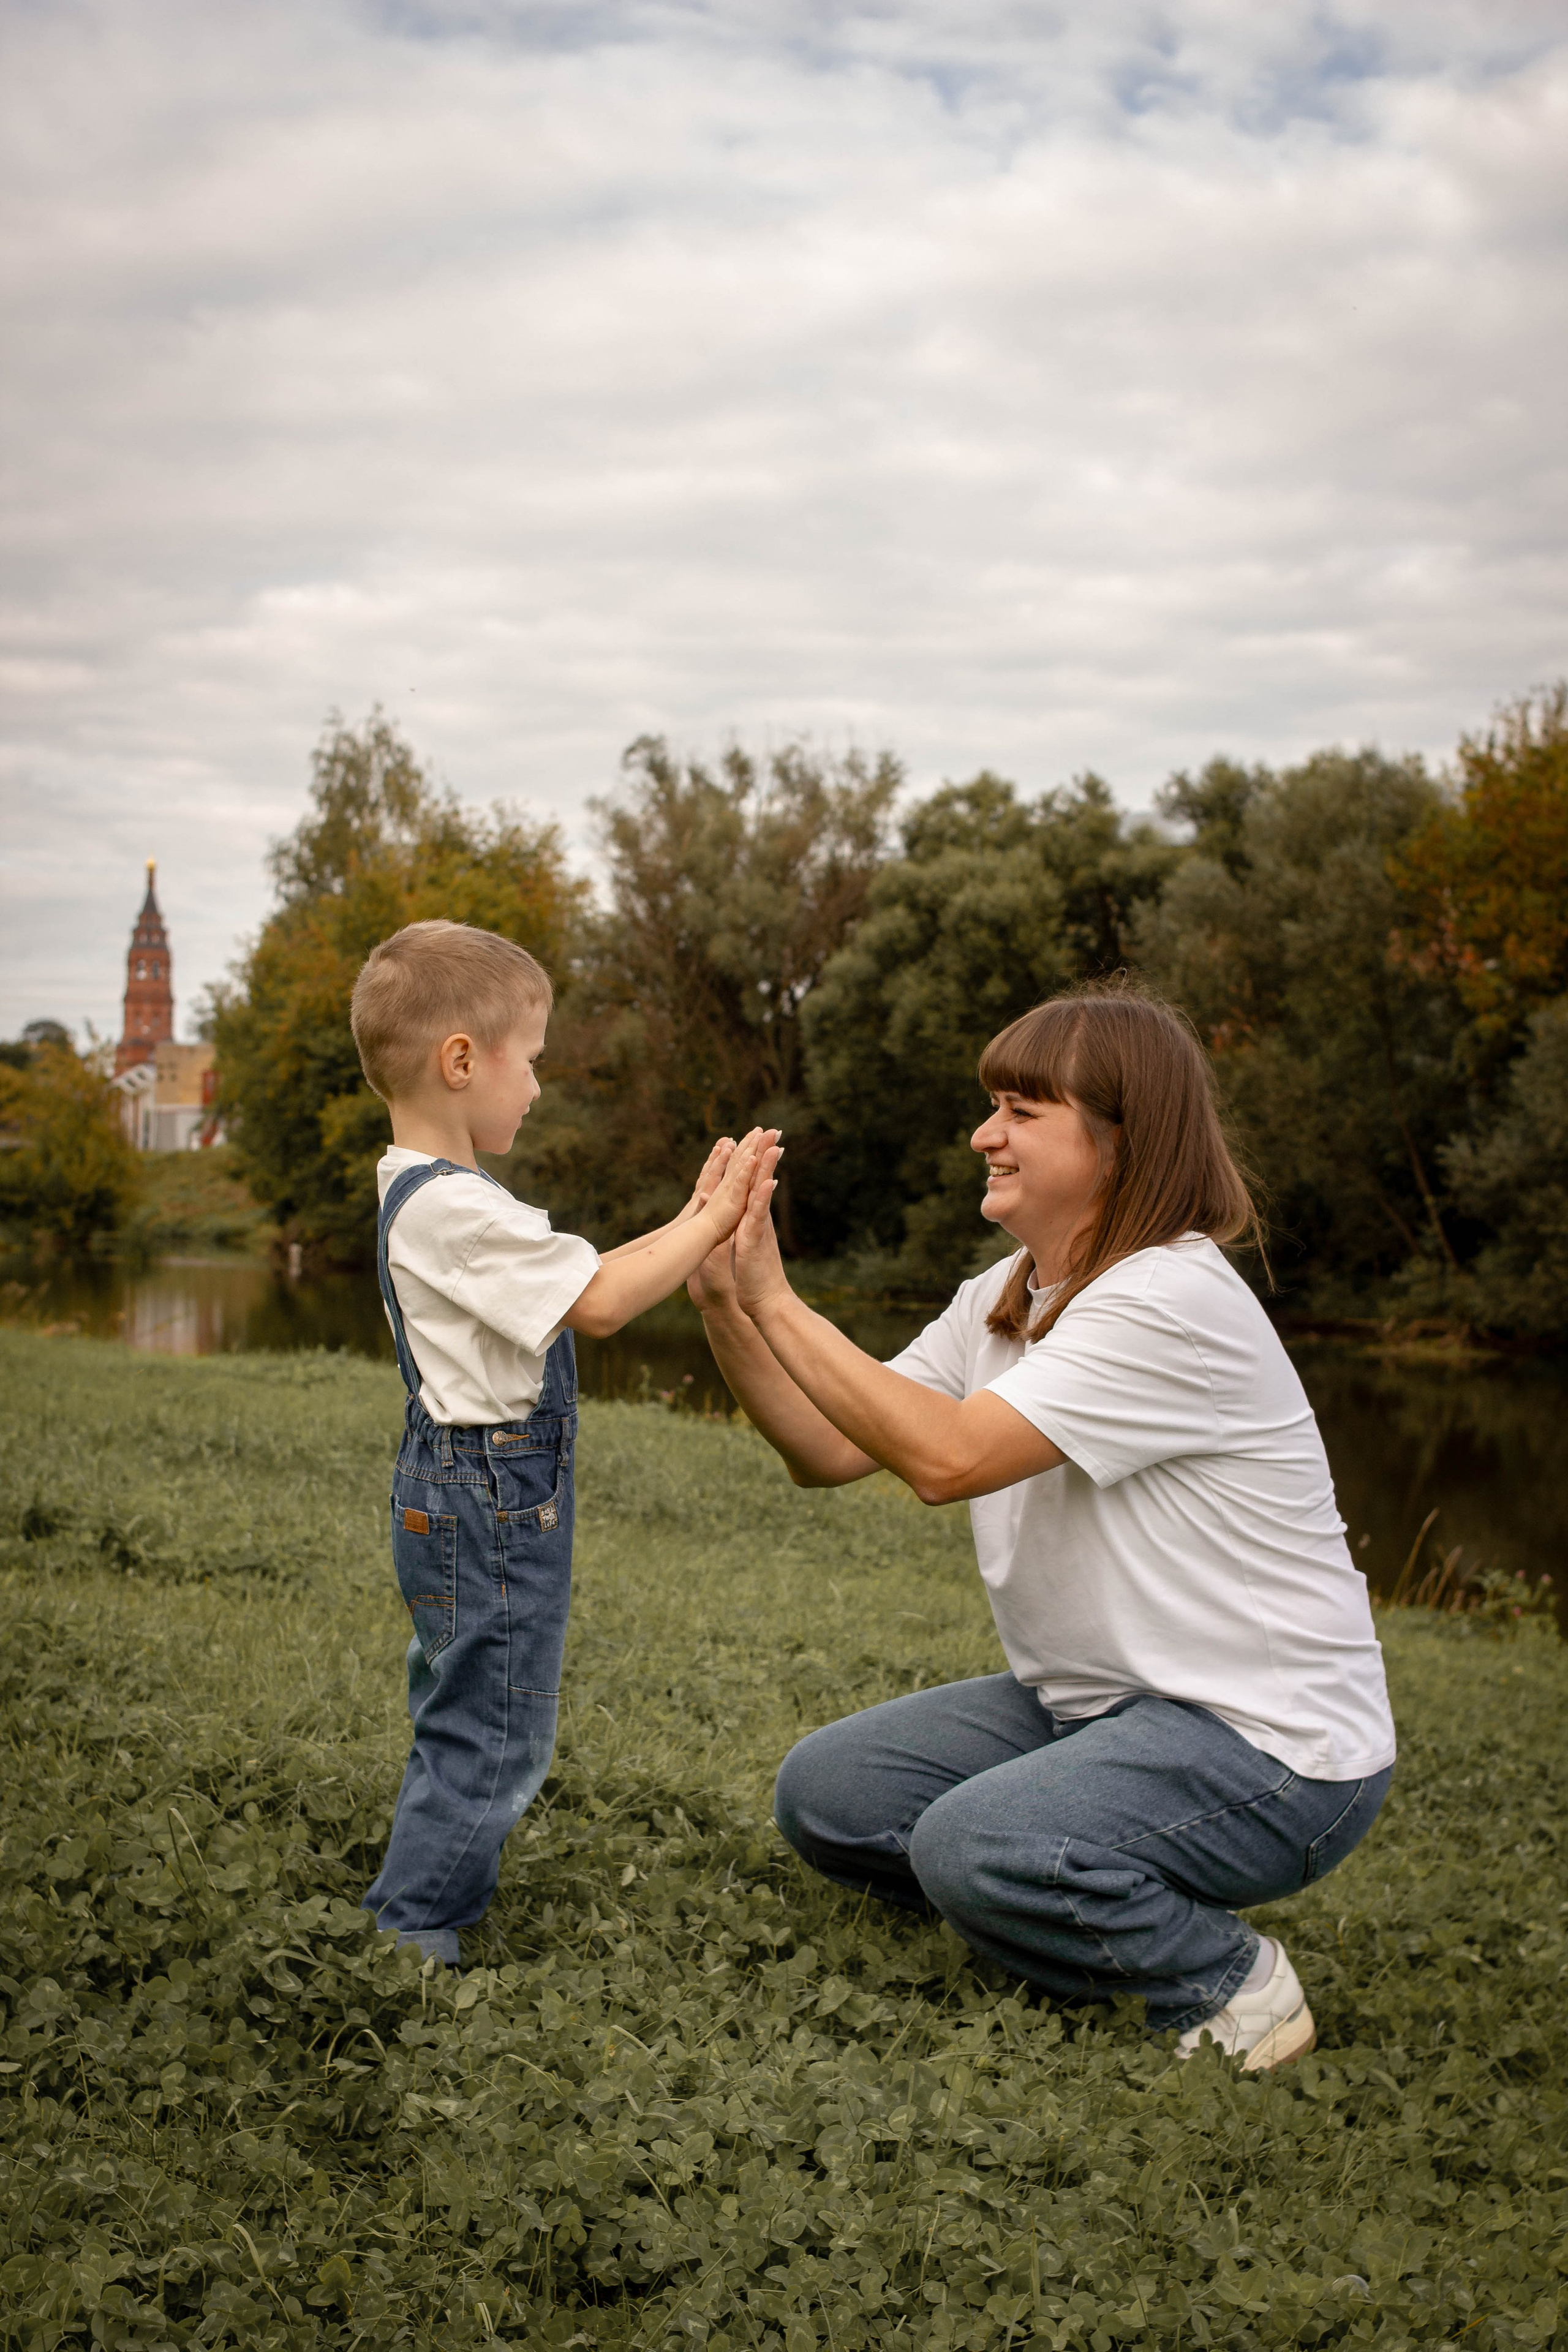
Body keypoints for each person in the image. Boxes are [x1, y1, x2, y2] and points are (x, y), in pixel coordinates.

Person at [690, 986, 1395, 2068]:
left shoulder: (1168, 1298)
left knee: (976, 1840)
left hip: (1273, 1749)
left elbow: (948, 1459)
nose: (986, 1133)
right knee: (828, 1794)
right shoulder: (1006, 1294)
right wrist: (728, 1307)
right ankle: (1030, 1892)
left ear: (1120, 1142)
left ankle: (1227, 1982)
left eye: (1022, 1110)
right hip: (1107, 1713)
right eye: (992, 1106)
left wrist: (782, 1300)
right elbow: (827, 1451)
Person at [350, 918, 770, 1966]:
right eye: (529, 1061)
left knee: (464, 1697)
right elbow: (608, 1302)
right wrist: (714, 1218)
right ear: (461, 1061)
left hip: (460, 1485)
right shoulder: (453, 1209)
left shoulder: (435, 1193)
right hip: (488, 1497)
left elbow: (585, 1269)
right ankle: (414, 1933)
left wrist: (685, 1219)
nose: (536, 1087)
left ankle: (418, 1894)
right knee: (496, 1730)